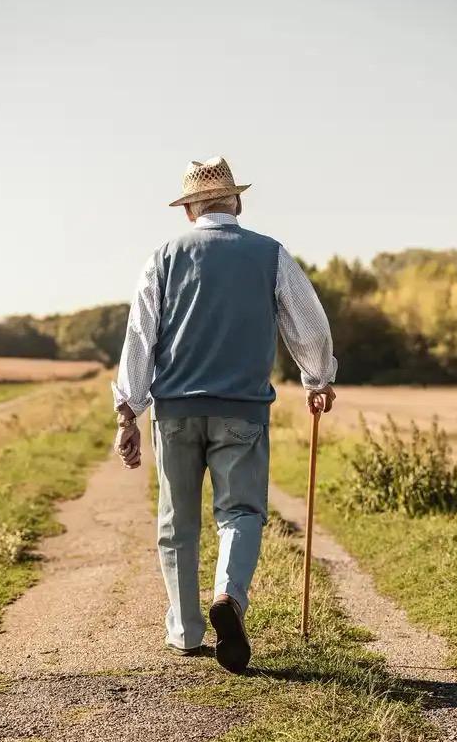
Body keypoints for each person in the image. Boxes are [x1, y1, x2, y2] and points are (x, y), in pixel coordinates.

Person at [112, 156, 337, 674]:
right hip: (242, 409)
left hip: (176, 411)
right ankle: (229, 598)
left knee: (177, 521)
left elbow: (140, 338)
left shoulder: (163, 257)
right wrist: (318, 379)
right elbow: (309, 325)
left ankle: (187, 633)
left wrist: (128, 410)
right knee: (239, 512)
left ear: (190, 210)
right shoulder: (270, 254)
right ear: (236, 201)